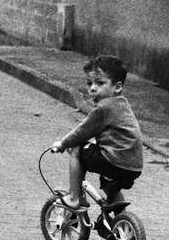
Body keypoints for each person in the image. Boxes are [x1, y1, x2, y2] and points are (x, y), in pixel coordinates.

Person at [51, 55, 143, 209]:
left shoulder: (103, 108)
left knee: (77, 149)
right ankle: (120, 222)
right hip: (133, 166)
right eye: (89, 83)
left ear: (117, 87)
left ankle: (74, 197)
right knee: (109, 184)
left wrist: (62, 144)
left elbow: (81, 132)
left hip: (115, 161)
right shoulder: (122, 104)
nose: (92, 88)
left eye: (100, 83)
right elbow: (115, 135)